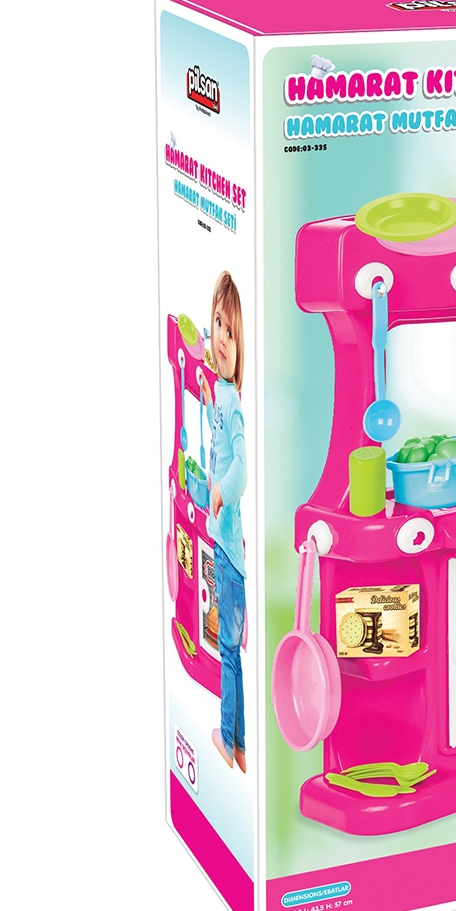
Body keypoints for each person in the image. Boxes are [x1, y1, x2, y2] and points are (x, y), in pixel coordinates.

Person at [199, 271, 248, 772]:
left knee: (229, 649)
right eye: (219, 324)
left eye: (231, 332)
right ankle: (240, 742)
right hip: (225, 544)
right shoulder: (220, 393)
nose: (222, 339)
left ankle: (230, 739)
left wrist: (220, 491)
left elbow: (241, 466)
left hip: (230, 550)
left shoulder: (231, 400)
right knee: (231, 649)